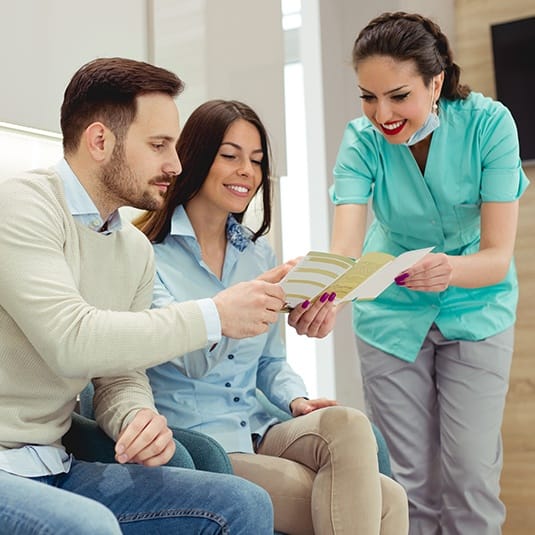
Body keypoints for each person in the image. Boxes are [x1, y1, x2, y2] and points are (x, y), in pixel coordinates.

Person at [0, 57, 281, 534]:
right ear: (100, 141)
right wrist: (213, 315)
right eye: (158, 145)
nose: (175, 164)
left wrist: (136, 416)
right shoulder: (22, 207)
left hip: (55, 465)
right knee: (90, 528)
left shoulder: (132, 248)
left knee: (243, 505)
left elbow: (119, 375)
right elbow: (73, 340)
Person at [136, 99, 409, 535]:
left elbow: (269, 362)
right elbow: (189, 358)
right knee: (385, 500)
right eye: (230, 155)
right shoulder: (146, 255)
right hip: (203, 443)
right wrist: (241, 303)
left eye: (257, 160)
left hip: (260, 429)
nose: (246, 169)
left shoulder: (257, 252)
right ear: (195, 157)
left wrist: (296, 401)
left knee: (349, 424)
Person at [329, 11, 530, 535]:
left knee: (471, 479)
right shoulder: (361, 140)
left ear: (435, 81)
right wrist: (322, 295)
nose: (382, 114)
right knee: (406, 485)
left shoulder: (490, 126)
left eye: (398, 96)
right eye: (368, 98)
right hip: (391, 315)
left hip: (476, 308)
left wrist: (448, 270)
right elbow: (346, 249)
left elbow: (496, 258)